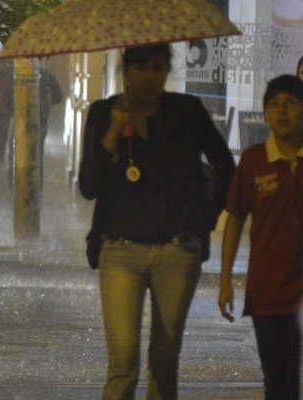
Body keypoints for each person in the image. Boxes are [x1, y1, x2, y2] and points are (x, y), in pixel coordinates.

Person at [79, 43, 235, 400]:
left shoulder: (186, 111)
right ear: (126, 71)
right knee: (123, 364)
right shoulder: (104, 113)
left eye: (159, 67)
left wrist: (203, 222)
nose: (151, 76)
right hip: (120, 250)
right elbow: (88, 187)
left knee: (164, 363)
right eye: (142, 68)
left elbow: (225, 167)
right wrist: (111, 136)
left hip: (177, 251)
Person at [218, 75, 303, 400]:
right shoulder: (254, 160)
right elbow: (235, 220)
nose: (282, 112)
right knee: (276, 381)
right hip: (267, 290)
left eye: (291, 104)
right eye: (274, 105)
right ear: (266, 114)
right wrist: (226, 280)